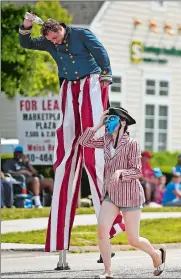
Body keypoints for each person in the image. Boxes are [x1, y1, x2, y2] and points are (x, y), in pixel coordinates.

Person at [18, 14, 125, 253]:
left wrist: (107, 74)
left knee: (93, 152)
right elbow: (26, 44)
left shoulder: (80, 34)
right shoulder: (49, 41)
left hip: (91, 82)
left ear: (61, 30)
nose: (54, 43)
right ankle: (61, 243)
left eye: (56, 38)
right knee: (67, 150)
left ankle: (110, 228)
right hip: (69, 86)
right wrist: (26, 26)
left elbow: (100, 52)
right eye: (50, 40)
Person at [78, 107, 167, 278]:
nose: (108, 122)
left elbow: (137, 171)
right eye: (107, 119)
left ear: (123, 123)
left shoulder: (132, 144)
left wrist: (121, 173)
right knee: (102, 229)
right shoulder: (105, 140)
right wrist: (97, 125)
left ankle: (156, 255)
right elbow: (84, 141)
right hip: (111, 194)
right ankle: (107, 271)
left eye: (112, 119)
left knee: (133, 239)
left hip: (130, 195)